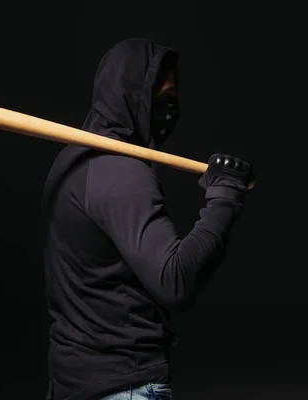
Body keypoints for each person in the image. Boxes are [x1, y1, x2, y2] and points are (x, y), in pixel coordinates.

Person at [41, 38, 255, 400]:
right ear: (133, 95)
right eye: (164, 97)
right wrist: (224, 199)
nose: (171, 109)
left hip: (72, 382)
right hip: (122, 387)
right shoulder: (121, 173)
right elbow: (175, 281)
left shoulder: (71, 161)